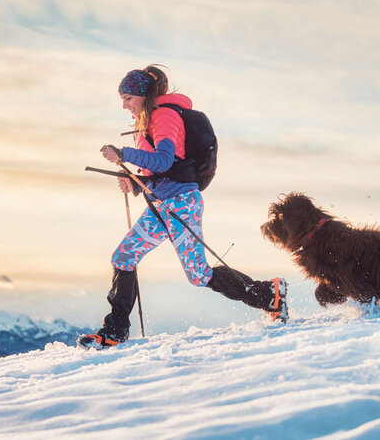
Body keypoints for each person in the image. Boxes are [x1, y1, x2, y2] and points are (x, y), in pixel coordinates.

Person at [78, 65, 287, 350]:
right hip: (164, 203)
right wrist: (135, 184)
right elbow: (162, 170)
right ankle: (114, 332)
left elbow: (164, 160)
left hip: (181, 204)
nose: (124, 105)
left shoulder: (164, 116)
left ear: (143, 96)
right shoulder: (148, 121)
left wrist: (123, 153)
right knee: (125, 258)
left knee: (197, 274)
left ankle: (270, 295)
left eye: (128, 98)